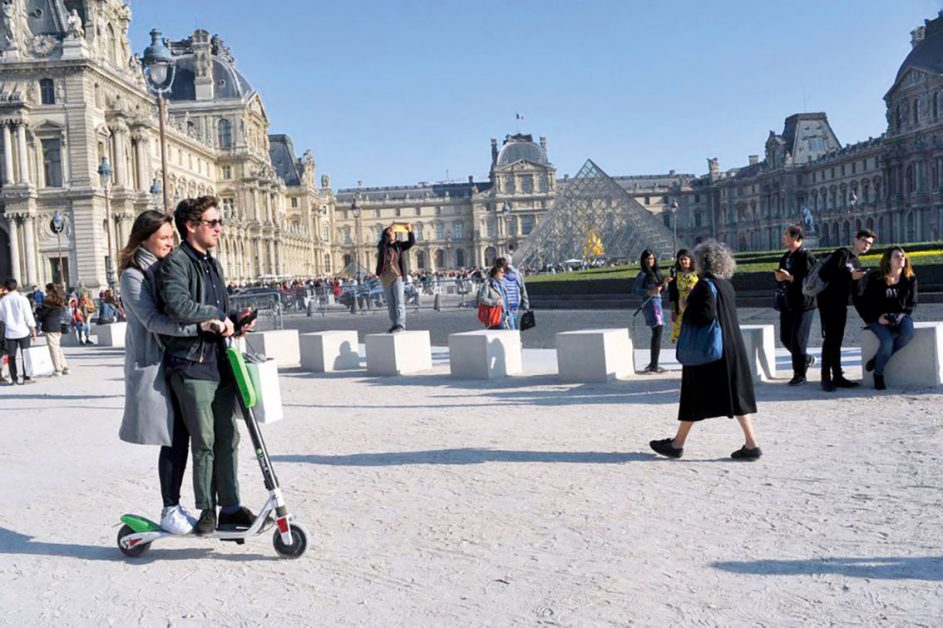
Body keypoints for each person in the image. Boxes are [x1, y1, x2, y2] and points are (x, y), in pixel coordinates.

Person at [119, 210, 228, 534]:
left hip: (175, 360)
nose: (170, 243)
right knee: (172, 436)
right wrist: (199, 327)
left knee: (180, 435)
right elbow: (152, 321)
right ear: (145, 238)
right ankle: (170, 508)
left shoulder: (163, 266)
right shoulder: (133, 274)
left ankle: (176, 506)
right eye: (164, 238)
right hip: (153, 361)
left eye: (171, 237)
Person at [159, 196, 256, 535]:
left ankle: (230, 505)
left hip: (218, 360)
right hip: (191, 364)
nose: (219, 228)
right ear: (191, 225)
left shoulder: (212, 263)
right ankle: (206, 511)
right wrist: (216, 318)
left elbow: (219, 311)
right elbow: (178, 305)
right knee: (204, 439)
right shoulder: (177, 263)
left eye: (220, 222)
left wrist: (235, 320)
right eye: (213, 222)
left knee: (228, 436)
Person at [650, 240, 761, 460]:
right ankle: (751, 444)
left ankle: (677, 444)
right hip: (731, 347)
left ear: (702, 261)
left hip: (710, 350)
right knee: (735, 397)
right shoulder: (726, 284)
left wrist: (684, 306)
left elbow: (705, 314)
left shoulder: (704, 285)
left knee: (693, 394)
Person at [816, 229, 875, 391]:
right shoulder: (842, 254)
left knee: (837, 339)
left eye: (869, 244)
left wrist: (868, 318)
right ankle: (825, 377)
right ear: (855, 239)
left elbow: (857, 293)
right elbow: (825, 273)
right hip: (827, 302)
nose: (866, 245)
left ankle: (837, 375)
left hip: (840, 303)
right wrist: (849, 276)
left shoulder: (856, 262)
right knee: (830, 339)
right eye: (864, 241)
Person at [856, 246, 917, 391]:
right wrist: (879, 317)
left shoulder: (910, 278)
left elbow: (912, 302)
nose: (901, 258)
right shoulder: (877, 278)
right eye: (897, 256)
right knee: (887, 340)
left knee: (908, 334)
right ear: (888, 260)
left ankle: (878, 359)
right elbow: (867, 302)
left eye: (902, 256)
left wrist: (902, 315)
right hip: (878, 316)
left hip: (901, 315)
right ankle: (878, 374)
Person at [774, 225, 816, 386]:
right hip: (788, 301)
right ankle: (805, 359)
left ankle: (800, 374)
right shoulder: (786, 257)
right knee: (785, 337)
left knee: (798, 339)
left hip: (804, 303)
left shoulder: (807, 257)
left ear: (795, 237)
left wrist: (790, 278)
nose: (783, 237)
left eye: (786, 235)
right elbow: (781, 279)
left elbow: (811, 281)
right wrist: (778, 279)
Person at [632, 249, 670, 373]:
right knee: (657, 331)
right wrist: (647, 292)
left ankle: (654, 364)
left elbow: (661, 289)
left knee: (657, 333)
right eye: (648, 258)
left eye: (652, 258)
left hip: (657, 303)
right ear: (643, 260)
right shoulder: (642, 274)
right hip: (650, 304)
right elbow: (635, 290)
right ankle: (654, 365)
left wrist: (665, 283)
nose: (650, 261)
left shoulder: (656, 273)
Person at [375, 223, 415, 333]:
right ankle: (394, 324)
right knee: (390, 303)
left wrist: (409, 230)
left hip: (397, 276)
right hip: (386, 277)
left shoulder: (399, 245)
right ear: (385, 235)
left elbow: (411, 243)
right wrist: (387, 235)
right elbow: (382, 247)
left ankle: (401, 325)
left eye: (393, 232)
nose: (392, 234)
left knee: (399, 302)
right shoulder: (382, 245)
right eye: (390, 232)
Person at [0, 278, 38, 385]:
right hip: (23, 330)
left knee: (11, 356)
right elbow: (28, 315)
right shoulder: (23, 299)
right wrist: (33, 329)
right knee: (25, 353)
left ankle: (14, 378)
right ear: (16, 286)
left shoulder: (2, 301)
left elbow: (1, 318)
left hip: (10, 332)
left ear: (6, 288)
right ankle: (26, 377)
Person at [37, 283, 70, 376]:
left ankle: (57, 369)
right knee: (57, 347)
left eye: (46, 289)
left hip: (50, 326)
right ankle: (64, 366)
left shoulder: (49, 301)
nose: (45, 291)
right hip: (58, 326)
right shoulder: (59, 299)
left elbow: (42, 314)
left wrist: (38, 310)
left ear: (49, 290)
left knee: (53, 348)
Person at [668, 249, 698, 343]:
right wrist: (673, 311)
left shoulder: (698, 273)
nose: (683, 262)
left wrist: (694, 288)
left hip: (695, 307)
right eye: (680, 259)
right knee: (682, 335)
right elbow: (672, 295)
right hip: (681, 309)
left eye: (685, 259)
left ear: (690, 260)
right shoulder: (675, 275)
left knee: (695, 332)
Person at [477, 261, 512, 329]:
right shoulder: (488, 284)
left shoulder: (503, 284)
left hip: (504, 313)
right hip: (494, 313)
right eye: (501, 272)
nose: (503, 274)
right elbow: (482, 298)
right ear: (495, 273)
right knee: (499, 335)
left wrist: (508, 313)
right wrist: (495, 302)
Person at [501, 257, 530, 329]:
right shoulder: (518, 274)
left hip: (506, 304)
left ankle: (514, 337)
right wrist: (526, 304)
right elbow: (523, 290)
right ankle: (516, 337)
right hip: (516, 302)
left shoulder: (501, 275)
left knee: (509, 324)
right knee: (514, 320)